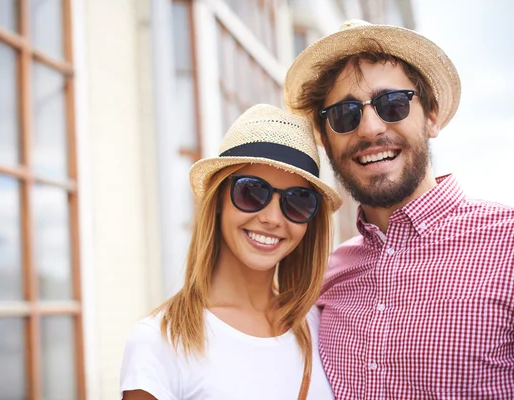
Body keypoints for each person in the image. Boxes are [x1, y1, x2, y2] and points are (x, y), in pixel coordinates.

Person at [284, 19, 514, 399]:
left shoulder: (506, 245)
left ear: (432, 116)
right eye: (344, 114)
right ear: (326, 140)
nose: (371, 128)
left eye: (392, 104)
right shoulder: (326, 280)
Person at [119, 104, 342, 400]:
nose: (273, 218)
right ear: (219, 200)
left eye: (298, 201)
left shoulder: (318, 326)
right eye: (252, 192)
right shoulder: (161, 340)